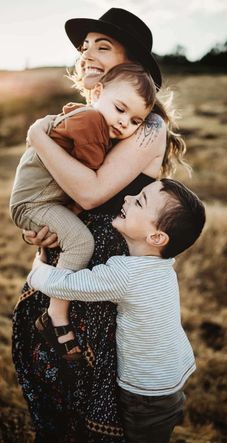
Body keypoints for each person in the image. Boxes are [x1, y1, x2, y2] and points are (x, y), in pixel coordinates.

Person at [12, 8, 188, 443]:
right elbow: (57, 194)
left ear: (132, 64)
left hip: (107, 280)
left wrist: (36, 134)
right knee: (56, 405)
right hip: (70, 265)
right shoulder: (94, 117)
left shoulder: (148, 126)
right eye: (85, 45)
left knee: (94, 404)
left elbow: (91, 194)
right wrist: (38, 227)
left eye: (102, 45)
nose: (87, 52)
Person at [27, 178, 206, 443]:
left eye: (139, 201)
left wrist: (37, 268)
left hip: (145, 392)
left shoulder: (125, 275)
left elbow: (64, 285)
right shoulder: (164, 264)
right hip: (173, 377)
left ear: (156, 237)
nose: (127, 199)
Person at [10, 62, 156, 360]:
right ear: (98, 92)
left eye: (135, 120)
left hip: (41, 200)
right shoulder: (91, 122)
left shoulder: (94, 118)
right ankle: (55, 315)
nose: (124, 123)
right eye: (120, 109)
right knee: (80, 242)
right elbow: (90, 182)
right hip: (38, 202)